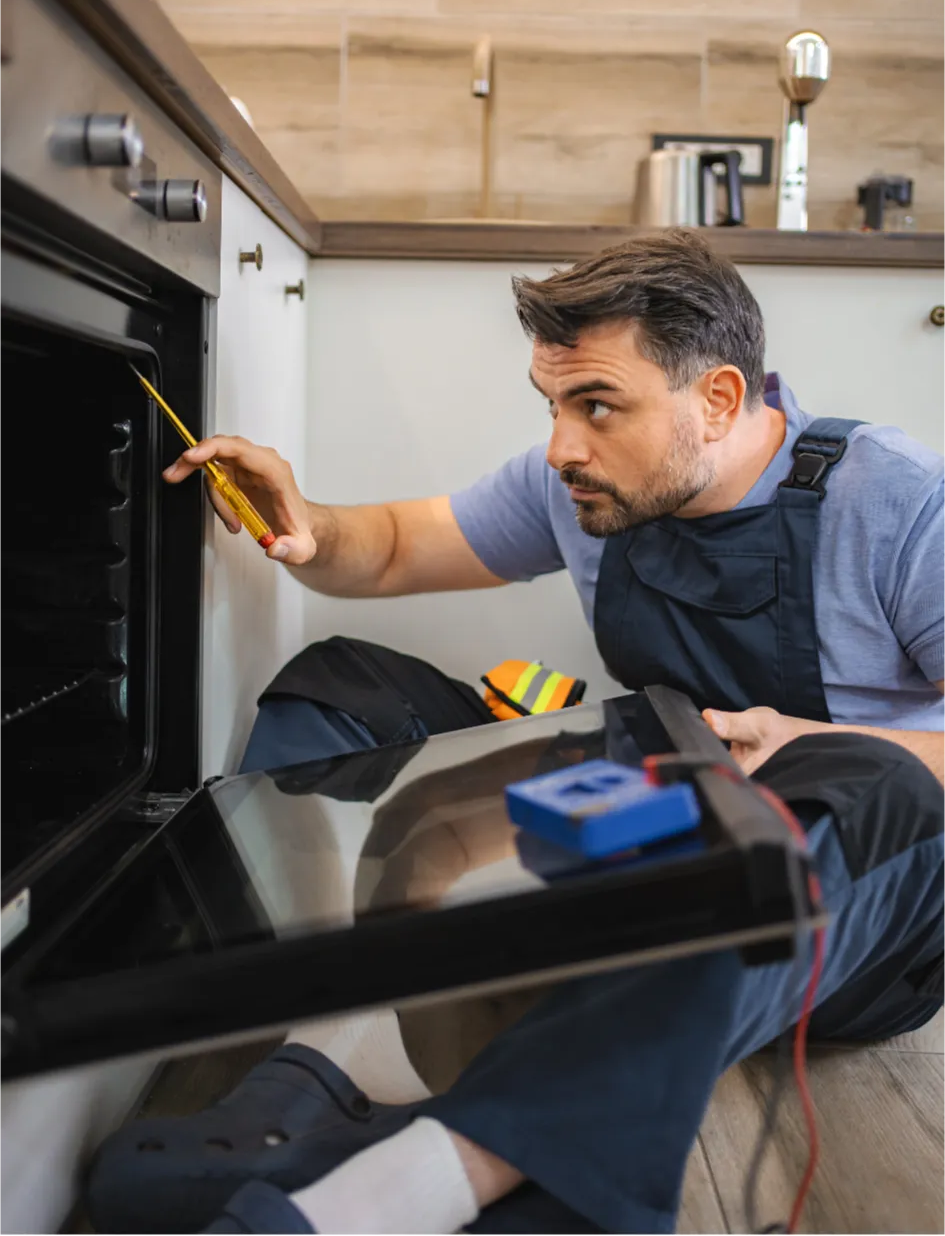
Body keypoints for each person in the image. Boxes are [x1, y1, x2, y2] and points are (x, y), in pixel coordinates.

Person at [88, 230, 945, 1235]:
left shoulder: (892, 499)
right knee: (340, 687)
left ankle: (420, 1180)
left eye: (596, 407)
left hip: (854, 909)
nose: (559, 447)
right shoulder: (579, 487)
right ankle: (313, 1074)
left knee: (872, 777)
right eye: (553, 406)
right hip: (657, 838)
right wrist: (310, 527)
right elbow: (406, 542)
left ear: (717, 399)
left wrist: (799, 741)